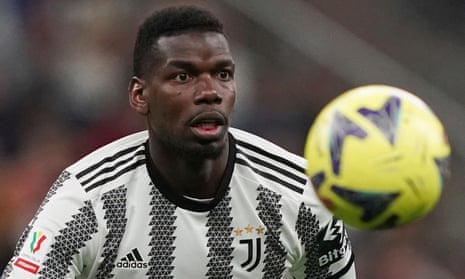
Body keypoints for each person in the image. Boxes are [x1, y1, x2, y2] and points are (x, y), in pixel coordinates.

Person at [1, 5, 356, 279]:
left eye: (223, 74)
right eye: (183, 76)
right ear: (140, 95)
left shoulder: (300, 195)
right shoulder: (87, 201)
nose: (209, 92)